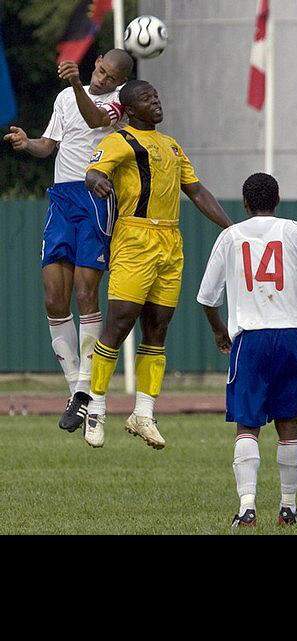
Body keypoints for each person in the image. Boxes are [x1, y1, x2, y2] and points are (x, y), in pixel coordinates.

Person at [84, 79, 233, 449]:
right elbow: (94, 172)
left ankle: (144, 413)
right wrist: (96, 181)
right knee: (119, 321)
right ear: (131, 109)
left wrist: (230, 229)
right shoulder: (119, 140)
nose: (156, 101)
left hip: (170, 240)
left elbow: (195, 190)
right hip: (135, 238)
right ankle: (97, 407)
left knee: (158, 328)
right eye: (147, 98)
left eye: (157, 96)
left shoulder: (171, 145)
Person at [3, 50, 134, 441]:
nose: (102, 78)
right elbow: (50, 145)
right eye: (99, 70)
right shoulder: (64, 99)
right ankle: (75, 389)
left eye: (110, 76)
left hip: (94, 197)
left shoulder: (116, 104)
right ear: (95, 63)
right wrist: (28, 144)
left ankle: (87, 387)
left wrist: (77, 83)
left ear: (119, 82)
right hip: (61, 198)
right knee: (53, 298)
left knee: (84, 292)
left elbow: (95, 119)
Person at [196, 173, 297, 528]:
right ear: (278, 199)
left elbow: (207, 298)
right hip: (290, 337)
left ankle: (247, 507)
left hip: (249, 339)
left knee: (247, 424)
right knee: (289, 422)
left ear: (244, 203)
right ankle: (288, 506)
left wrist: (219, 331)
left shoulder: (230, 236)